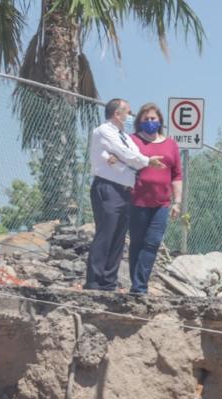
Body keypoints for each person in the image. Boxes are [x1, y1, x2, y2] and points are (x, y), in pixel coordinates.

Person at [85, 98, 164, 291]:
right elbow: (127, 154)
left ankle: (108, 282)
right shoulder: (104, 131)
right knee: (106, 233)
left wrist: (130, 160)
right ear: (116, 114)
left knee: (119, 237)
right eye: (128, 113)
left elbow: (132, 154)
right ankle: (94, 282)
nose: (130, 117)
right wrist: (141, 160)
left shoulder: (125, 135)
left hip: (125, 189)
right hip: (108, 187)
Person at [123, 103, 183, 295]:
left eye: (153, 119)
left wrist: (177, 202)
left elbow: (177, 175)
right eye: (146, 119)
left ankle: (140, 286)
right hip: (137, 201)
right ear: (140, 121)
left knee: (153, 242)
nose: (150, 122)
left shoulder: (171, 144)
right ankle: (136, 285)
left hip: (162, 204)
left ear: (160, 121)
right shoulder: (132, 141)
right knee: (137, 243)